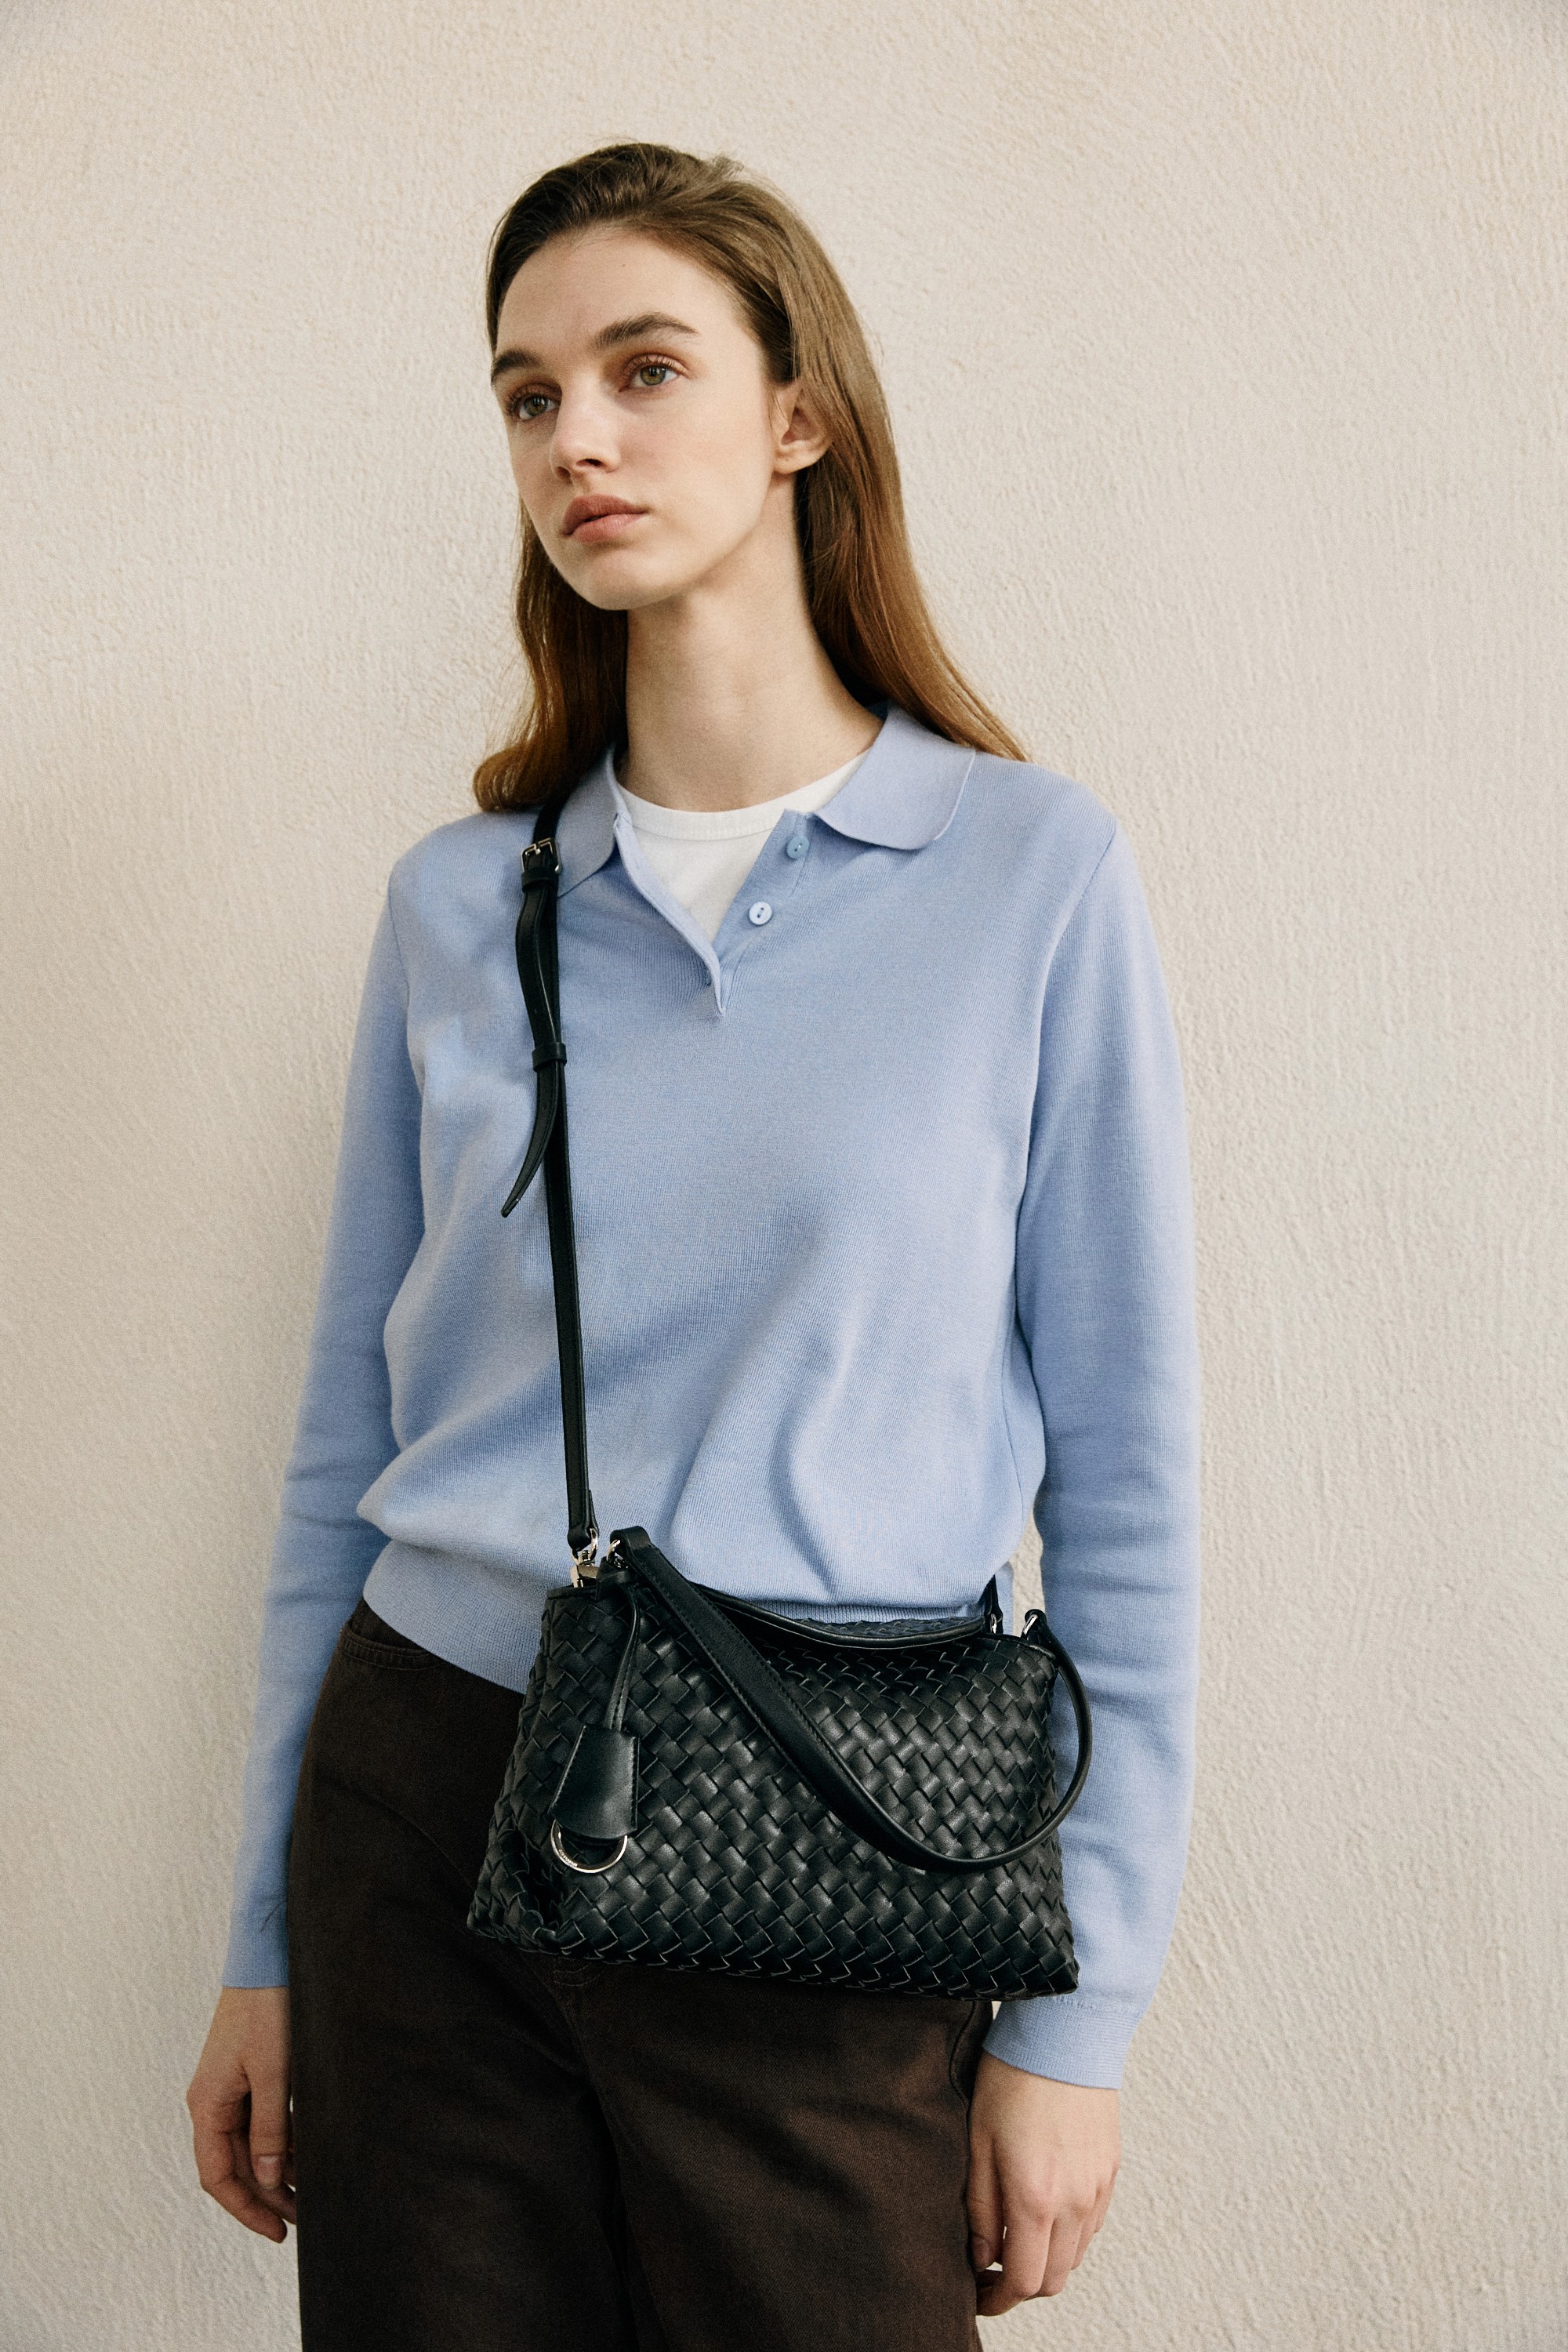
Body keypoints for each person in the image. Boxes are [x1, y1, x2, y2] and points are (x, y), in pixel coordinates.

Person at [185, 141, 1201, 2352]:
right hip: (429, 1809)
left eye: (646, 371)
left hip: (833, 1827)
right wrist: (263, 1936)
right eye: (528, 395)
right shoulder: (461, 906)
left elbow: (1129, 1480)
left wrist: (1079, 2018)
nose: (580, 438)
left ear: (800, 412)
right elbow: (343, 1446)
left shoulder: (1027, 876)